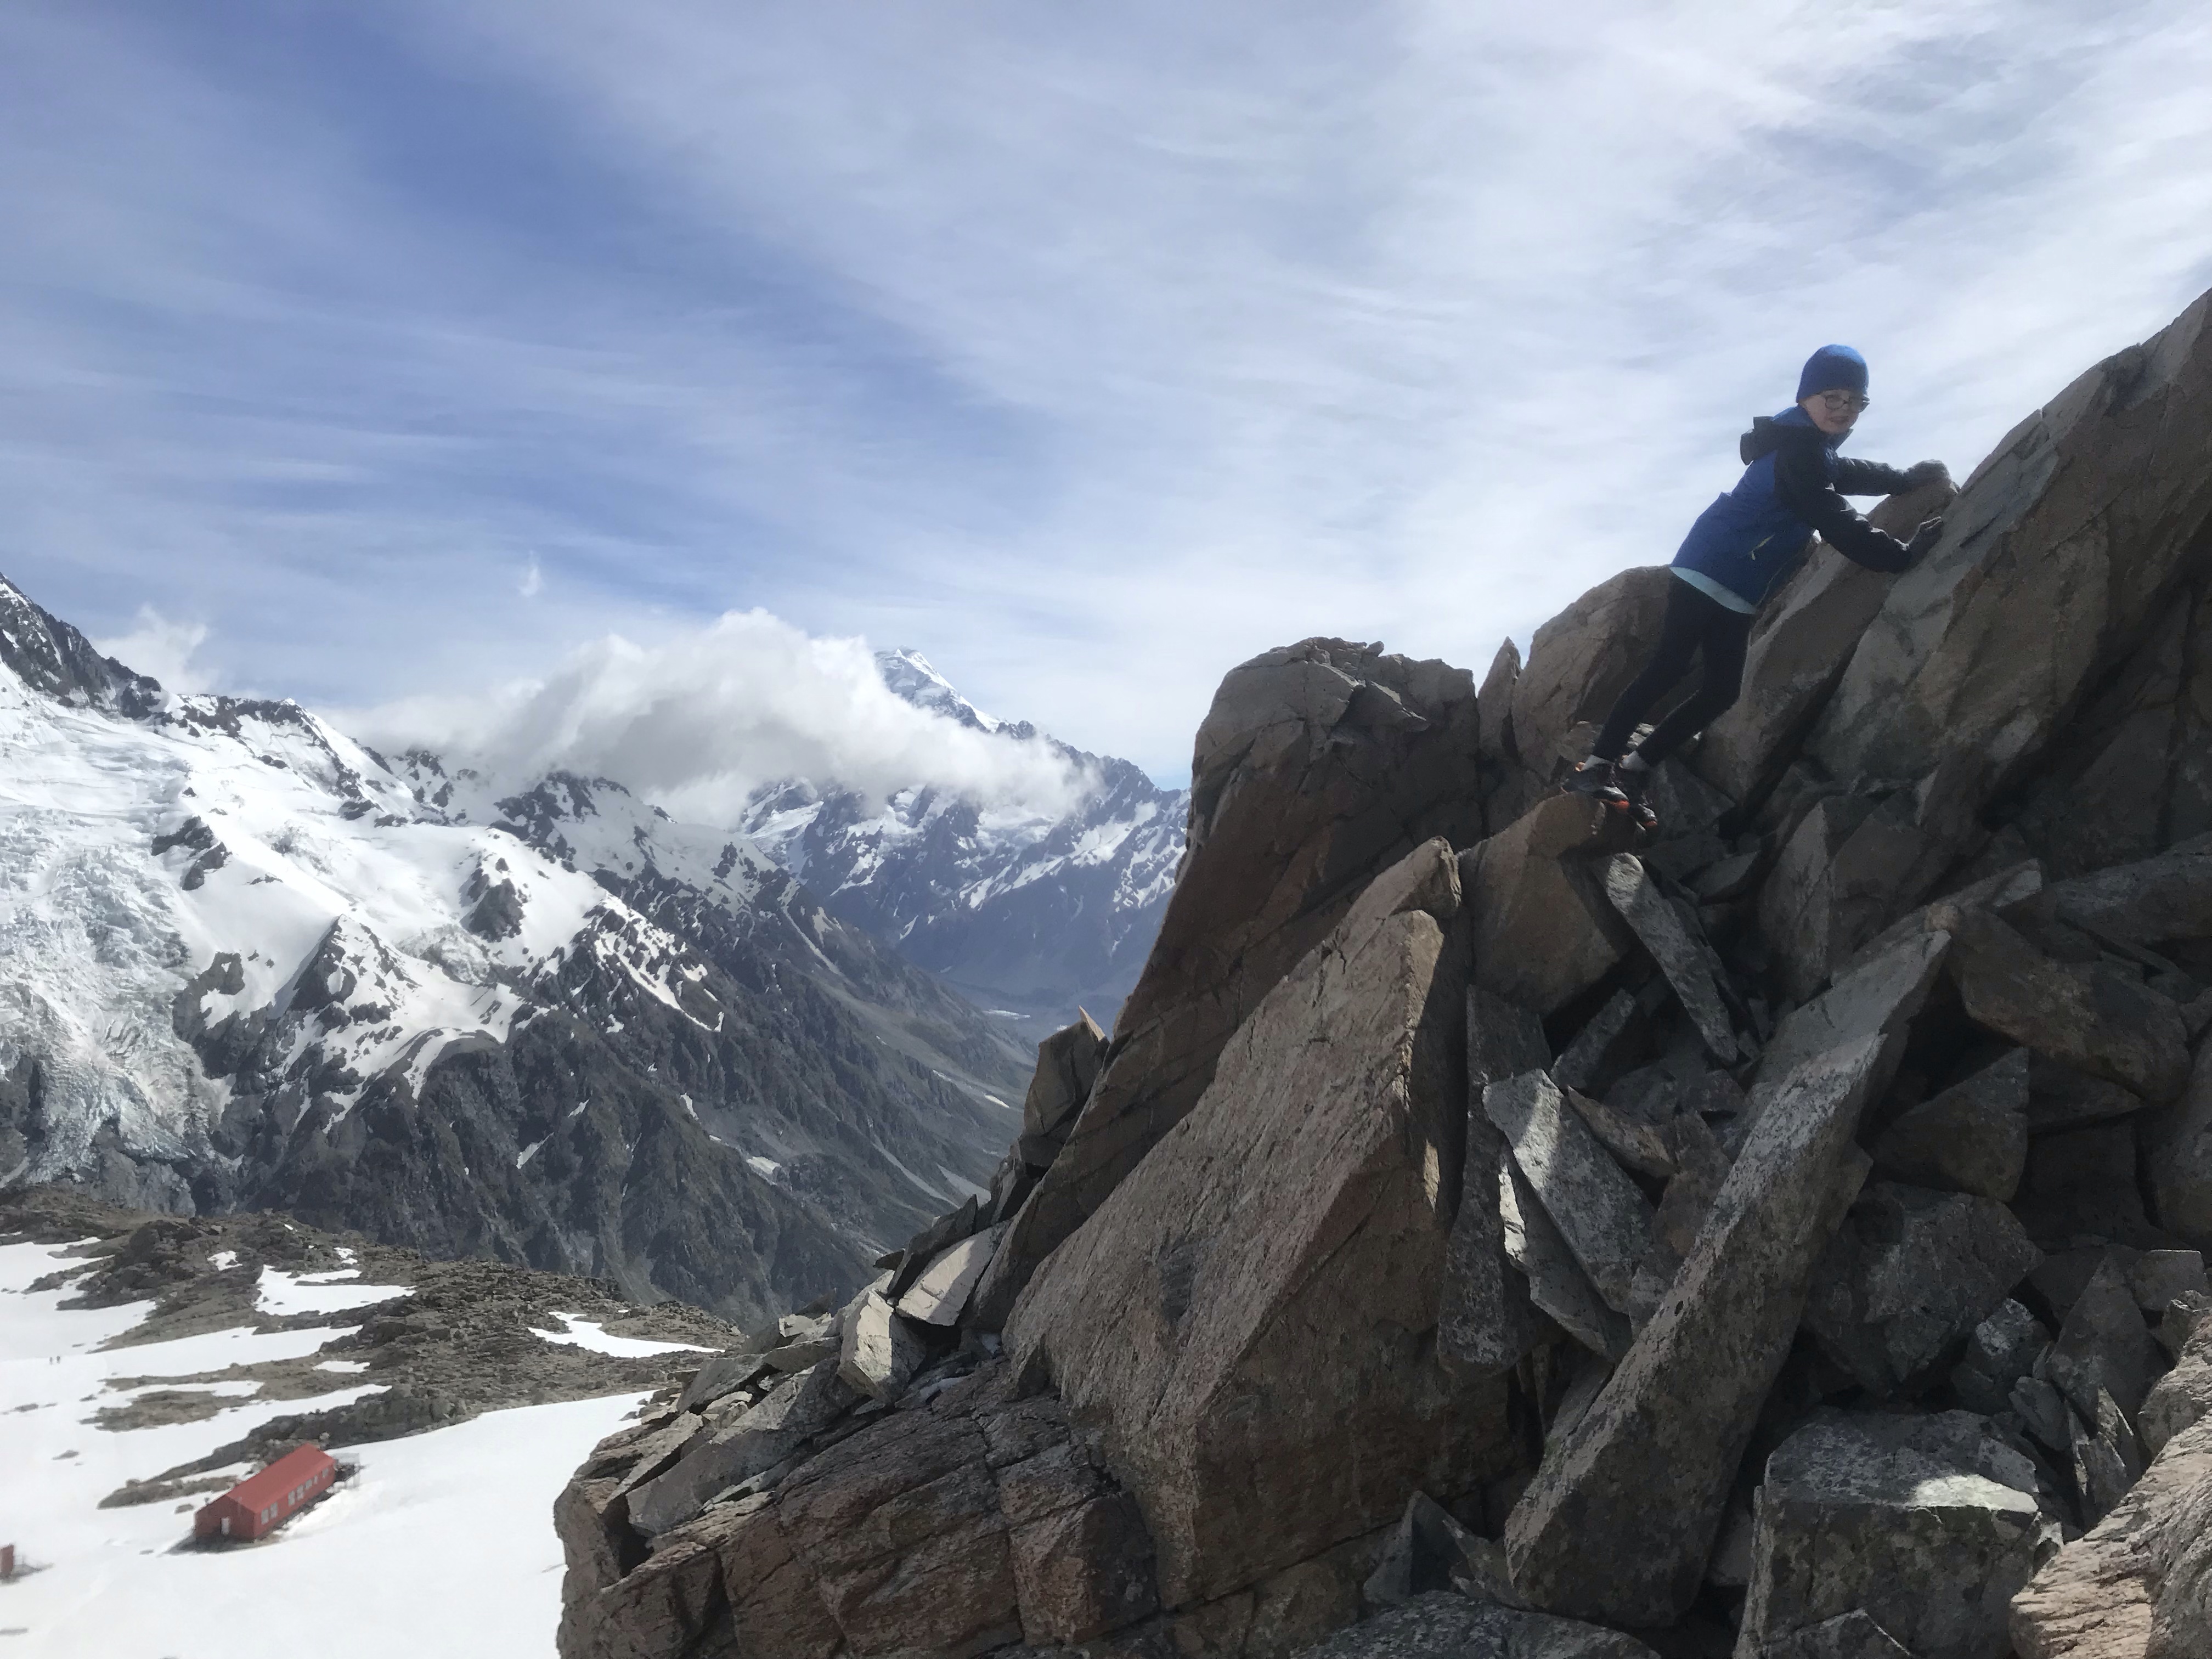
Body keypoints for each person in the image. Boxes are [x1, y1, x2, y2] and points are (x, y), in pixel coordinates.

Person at [1566, 343, 1948, 831]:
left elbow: (1848, 473)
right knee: (1668, 667)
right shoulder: (1799, 452)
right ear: (1807, 397)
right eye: (1833, 397)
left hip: (1738, 584)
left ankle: (1635, 770)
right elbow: (1837, 520)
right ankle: (1597, 768)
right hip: (1710, 566)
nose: (1844, 409)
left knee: (1721, 691)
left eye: (1856, 401)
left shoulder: (1810, 447)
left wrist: (1905, 480)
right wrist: (1903, 555)